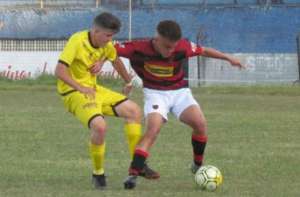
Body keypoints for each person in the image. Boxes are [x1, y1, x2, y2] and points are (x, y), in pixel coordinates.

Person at [114, 20, 245, 189]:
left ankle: (197, 165)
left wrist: (228, 57)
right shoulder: (137, 48)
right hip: (155, 93)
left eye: (173, 47)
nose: (170, 51)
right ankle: (133, 174)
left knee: (200, 124)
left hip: (179, 92)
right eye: (167, 46)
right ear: (157, 39)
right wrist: (97, 63)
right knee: (153, 129)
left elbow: (203, 50)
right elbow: (108, 49)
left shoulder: (182, 46)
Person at [55, 12, 158, 190]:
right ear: (95, 31)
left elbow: (115, 59)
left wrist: (127, 81)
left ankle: (138, 164)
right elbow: (59, 71)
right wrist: (81, 88)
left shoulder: (106, 44)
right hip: (73, 93)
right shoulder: (77, 41)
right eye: (108, 35)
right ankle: (98, 173)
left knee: (133, 111)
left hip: (94, 91)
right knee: (100, 126)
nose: (110, 40)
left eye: (112, 36)